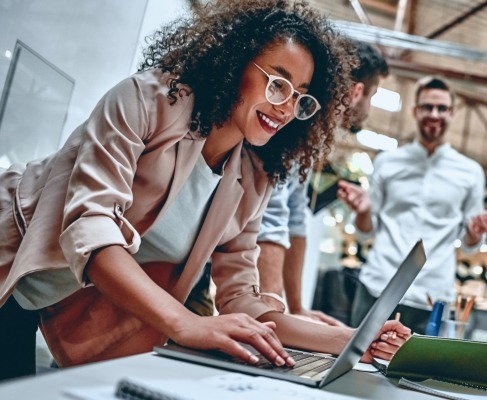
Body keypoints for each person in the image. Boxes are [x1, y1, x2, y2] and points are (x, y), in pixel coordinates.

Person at [0, 0, 409, 382]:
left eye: (301, 98)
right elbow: (92, 230)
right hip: (10, 265)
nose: (286, 109)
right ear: (234, 64)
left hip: (58, 301)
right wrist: (187, 322)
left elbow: (242, 300)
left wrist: (354, 340)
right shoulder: (145, 101)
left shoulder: (253, 176)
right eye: (278, 85)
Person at [337, 76, 487, 334]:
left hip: (432, 296)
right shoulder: (388, 162)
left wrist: (475, 232)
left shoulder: (471, 172)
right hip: (378, 287)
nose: (434, 114)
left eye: (442, 108)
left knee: (418, 373)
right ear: (415, 111)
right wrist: (364, 211)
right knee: (357, 365)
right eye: (427, 107)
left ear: (453, 113)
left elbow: (471, 246)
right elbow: (366, 230)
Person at [255, 41, 389, 326]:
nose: (368, 108)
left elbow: (295, 218)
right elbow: (273, 218)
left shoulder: (313, 136)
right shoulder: (296, 123)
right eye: (372, 96)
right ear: (356, 92)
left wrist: (296, 308)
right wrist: (275, 316)